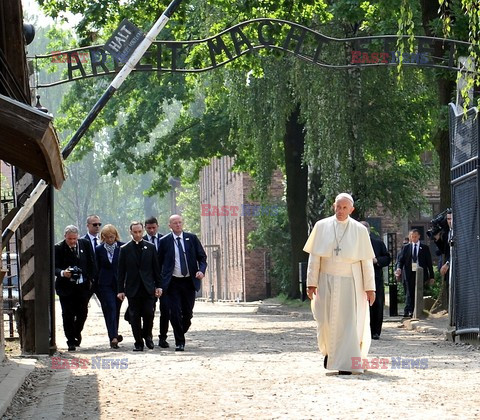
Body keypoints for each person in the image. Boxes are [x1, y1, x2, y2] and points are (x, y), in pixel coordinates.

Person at [303, 193, 376, 375]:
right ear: (333, 206)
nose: (340, 211)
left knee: (349, 323)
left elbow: (366, 262)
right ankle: (330, 354)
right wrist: (311, 283)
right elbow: (315, 258)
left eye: (344, 208)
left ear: (351, 210)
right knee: (325, 320)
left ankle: (347, 363)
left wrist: (370, 288)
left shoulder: (359, 230)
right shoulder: (321, 226)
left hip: (351, 282)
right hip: (326, 279)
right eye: (338, 207)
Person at [158, 214, 207, 351]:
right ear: (170, 226)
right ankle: (180, 341)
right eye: (175, 223)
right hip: (172, 283)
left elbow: (202, 257)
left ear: (182, 223)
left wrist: (201, 270)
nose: (178, 225)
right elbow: (158, 262)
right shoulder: (164, 241)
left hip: (189, 281)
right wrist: (159, 282)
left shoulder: (191, 238)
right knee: (174, 312)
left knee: (187, 313)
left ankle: (181, 329)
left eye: (180, 222)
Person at [117, 222, 162, 351]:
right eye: (135, 232)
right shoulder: (125, 249)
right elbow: (121, 271)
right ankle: (138, 342)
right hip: (132, 288)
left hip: (148, 287)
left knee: (149, 313)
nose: (137, 234)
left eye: (139, 232)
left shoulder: (151, 247)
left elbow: (156, 269)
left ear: (142, 231)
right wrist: (120, 290)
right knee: (134, 316)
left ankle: (147, 335)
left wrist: (159, 286)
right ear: (130, 232)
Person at [55, 225, 96, 351]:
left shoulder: (85, 244)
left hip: (82, 287)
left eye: (74, 239)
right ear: (65, 237)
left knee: (82, 313)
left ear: (78, 237)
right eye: (69, 239)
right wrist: (63, 273)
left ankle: (76, 332)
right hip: (65, 288)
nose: (72, 241)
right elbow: (54, 267)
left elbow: (91, 262)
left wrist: (91, 279)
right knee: (67, 314)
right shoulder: (58, 248)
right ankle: (70, 340)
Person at [360, 221, 391, 340]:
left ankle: (375, 331)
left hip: (375, 277)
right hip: (358, 277)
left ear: (368, 230)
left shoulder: (377, 243)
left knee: (376, 304)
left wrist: (376, 260)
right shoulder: (353, 243)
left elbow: (387, 258)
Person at [395, 229, 435, 318]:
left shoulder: (424, 248)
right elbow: (401, 260)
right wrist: (399, 269)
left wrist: (431, 276)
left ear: (419, 236)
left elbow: (429, 263)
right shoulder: (406, 247)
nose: (414, 238)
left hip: (420, 273)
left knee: (418, 291)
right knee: (409, 291)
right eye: (412, 237)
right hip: (409, 273)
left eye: (415, 236)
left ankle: (417, 310)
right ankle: (409, 310)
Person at [96, 224, 124, 349]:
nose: (110, 239)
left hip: (119, 284)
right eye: (107, 237)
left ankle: (114, 334)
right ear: (103, 237)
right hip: (105, 284)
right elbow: (96, 267)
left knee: (116, 310)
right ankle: (113, 337)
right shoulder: (99, 249)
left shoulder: (122, 247)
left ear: (115, 235)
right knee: (110, 308)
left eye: (112, 237)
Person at [143, 216, 170, 348]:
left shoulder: (165, 240)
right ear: (145, 228)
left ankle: (163, 337)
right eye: (149, 228)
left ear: (157, 226)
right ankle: (148, 336)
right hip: (149, 282)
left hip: (165, 280)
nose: (152, 231)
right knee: (149, 311)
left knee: (165, 310)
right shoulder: (141, 242)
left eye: (154, 228)